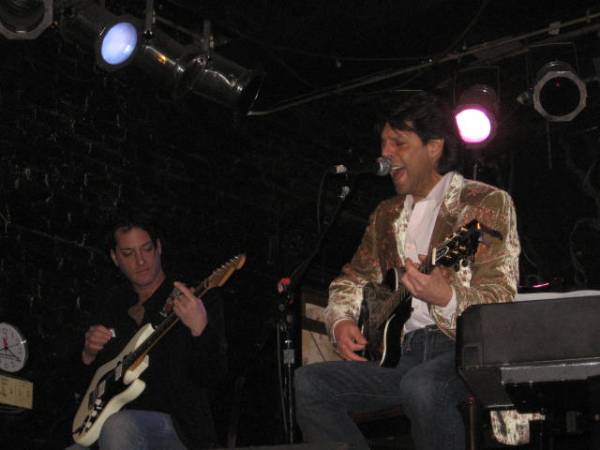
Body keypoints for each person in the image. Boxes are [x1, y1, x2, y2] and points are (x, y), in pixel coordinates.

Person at [294, 91, 520, 450]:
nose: (386, 153)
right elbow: (351, 279)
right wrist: (341, 322)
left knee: (423, 387)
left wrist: (444, 296)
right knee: (309, 384)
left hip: (462, 352)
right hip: (401, 355)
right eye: (383, 143)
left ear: (433, 147)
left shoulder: (484, 203)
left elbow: (500, 300)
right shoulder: (386, 214)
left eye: (398, 143)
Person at [68, 210, 227, 450]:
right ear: (114, 257)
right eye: (128, 253)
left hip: (178, 430)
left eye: (147, 249)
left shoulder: (192, 299)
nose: (140, 261)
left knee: (118, 426)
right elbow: (81, 389)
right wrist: (88, 355)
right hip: (113, 427)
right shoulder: (110, 307)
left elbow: (214, 376)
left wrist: (200, 329)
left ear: (159, 248)